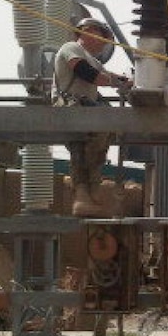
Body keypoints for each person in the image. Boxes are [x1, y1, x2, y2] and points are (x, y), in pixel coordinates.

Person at [53, 17, 131, 217]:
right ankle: (83, 197)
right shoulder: (71, 47)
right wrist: (115, 82)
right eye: (101, 35)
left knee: (90, 148)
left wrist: (127, 81)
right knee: (86, 143)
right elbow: (84, 72)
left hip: (86, 109)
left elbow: (107, 75)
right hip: (70, 106)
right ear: (86, 31)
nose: (104, 41)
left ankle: (88, 197)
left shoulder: (93, 60)